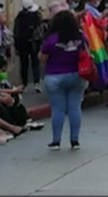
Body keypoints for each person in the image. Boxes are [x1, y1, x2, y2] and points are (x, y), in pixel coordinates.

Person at [39, 9, 87, 150]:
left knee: (58, 110)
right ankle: (75, 140)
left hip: (55, 75)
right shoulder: (80, 37)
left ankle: (56, 141)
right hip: (76, 75)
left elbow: (42, 58)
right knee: (75, 108)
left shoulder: (52, 39)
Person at [14, 0, 43, 93]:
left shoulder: (19, 17)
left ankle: (24, 84)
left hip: (22, 43)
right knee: (35, 63)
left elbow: (16, 32)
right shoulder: (37, 17)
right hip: (34, 43)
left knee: (24, 64)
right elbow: (40, 31)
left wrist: (16, 46)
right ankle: (37, 83)